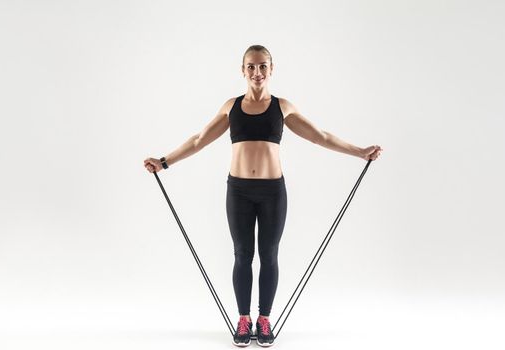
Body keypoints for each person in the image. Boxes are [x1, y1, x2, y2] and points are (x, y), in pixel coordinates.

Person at [144, 45, 382, 347]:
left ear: (272, 69)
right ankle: (244, 321)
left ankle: (264, 320)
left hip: (272, 192)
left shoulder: (283, 107)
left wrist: (360, 152)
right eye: (251, 67)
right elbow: (199, 140)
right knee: (242, 255)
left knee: (269, 256)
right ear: (243, 70)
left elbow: (320, 136)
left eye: (263, 66)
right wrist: (164, 162)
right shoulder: (231, 107)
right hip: (239, 191)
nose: (257, 72)